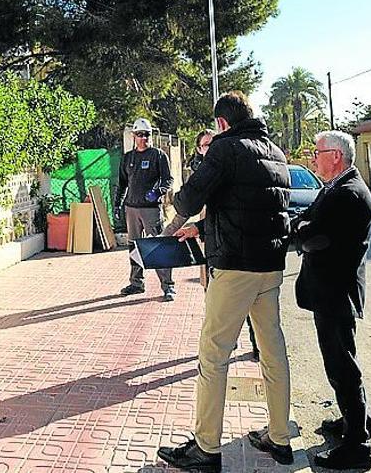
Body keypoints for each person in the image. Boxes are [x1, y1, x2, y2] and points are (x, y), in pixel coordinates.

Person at [156, 91, 294, 471]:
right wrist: (202, 228)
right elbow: (251, 209)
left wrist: (180, 203)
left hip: (234, 269)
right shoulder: (276, 153)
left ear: (221, 123)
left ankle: (206, 448)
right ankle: (280, 438)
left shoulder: (225, 149)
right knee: (273, 350)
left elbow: (187, 199)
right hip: (270, 268)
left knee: (214, 355)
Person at [294, 130, 371, 470]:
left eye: (318, 152)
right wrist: (302, 228)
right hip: (330, 291)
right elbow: (306, 221)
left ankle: (356, 445)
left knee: (342, 368)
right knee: (344, 361)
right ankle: (358, 422)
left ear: (336, 156)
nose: (314, 158)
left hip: (335, 294)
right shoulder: (335, 188)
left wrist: (300, 231)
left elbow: (313, 235)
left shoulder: (349, 194)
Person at [167, 128, 262, 362]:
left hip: (236, 243)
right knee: (214, 298)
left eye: (212, 144)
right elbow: (188, 206)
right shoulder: (200, 173)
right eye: (203, 146)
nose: (208, 149)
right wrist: (176, 231)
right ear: (198, 150)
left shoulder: (231, 167)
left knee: (248, 302)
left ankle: (256, 345)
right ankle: (226, 342)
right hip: (211, 241)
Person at [114, 117, 176, 301]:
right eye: (140, 134)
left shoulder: (158, 155)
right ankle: (136, 283)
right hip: (131, 209)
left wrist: (157, 192)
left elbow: (168, 180)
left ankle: (168, 286)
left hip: (151, 210)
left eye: (147, 134)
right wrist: (117, 204)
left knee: (158, 247)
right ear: (134, 136)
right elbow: (122, 183)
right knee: (134, 247)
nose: (144, 138)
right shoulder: (128, 158)